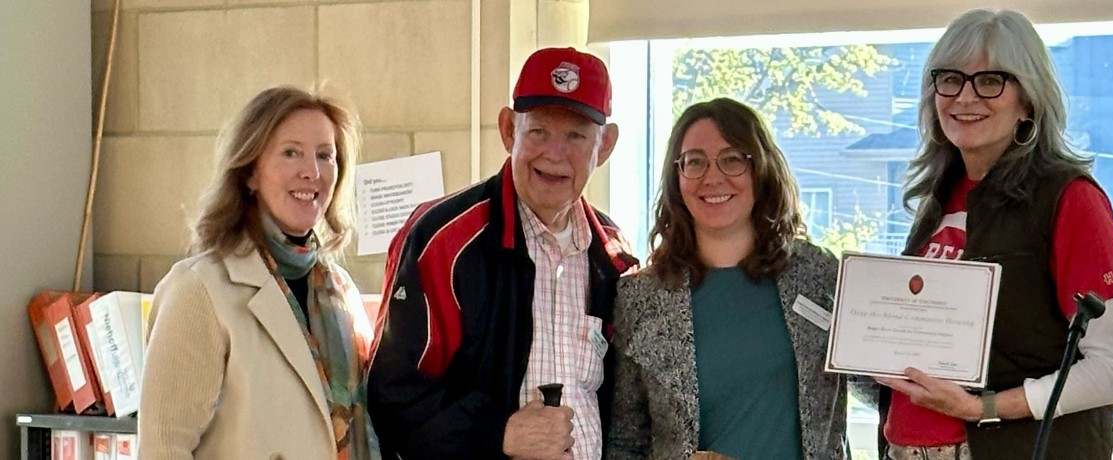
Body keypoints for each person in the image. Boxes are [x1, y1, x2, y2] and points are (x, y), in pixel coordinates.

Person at [874, 9, 1113, 460]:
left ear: (1028, 101)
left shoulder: (1069, 200)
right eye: (950, 79)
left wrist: (982, 408)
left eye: (990, 81)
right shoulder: (939, 198)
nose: (965, 97)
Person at [368, 47, 638, 459]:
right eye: (539, 131)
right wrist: (498, 433)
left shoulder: (614, 256)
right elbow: (391, 396)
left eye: (576, 136)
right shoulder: (442, 239)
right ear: (509, 130)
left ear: (604, 146)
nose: (554, 153)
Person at [607, 98, 860, 460]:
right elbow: (626, 442)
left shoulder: (818, 275)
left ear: (761, 170)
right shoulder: (641, 297)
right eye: (695, 161)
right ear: (677, 178)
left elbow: (876, 383)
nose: (713, 177)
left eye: (732, 159)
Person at [140, 86, 378, 459]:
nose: (312, 172)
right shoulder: (200, 288)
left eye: (325, 155)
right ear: (250, 172)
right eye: (291, 153)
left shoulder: (341, 291)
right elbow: (163, 448)